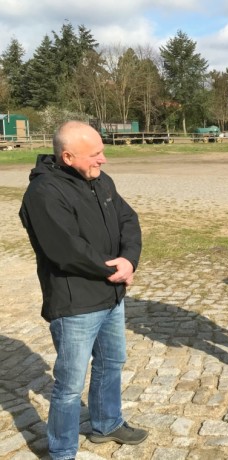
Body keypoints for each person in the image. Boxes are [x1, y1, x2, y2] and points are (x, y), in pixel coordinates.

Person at [19, 121, 148, 459]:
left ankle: (107, 423)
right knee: (69, 384)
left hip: (111, 296)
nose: (103, 160)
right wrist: (113, 271)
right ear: (67, 156)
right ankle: (62, 451)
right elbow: (65, 248)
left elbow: (128, 221)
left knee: (111, 363)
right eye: (96, 154)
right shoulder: (43, 192)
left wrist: (129, 261)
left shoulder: (101, 181)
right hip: (75, 304)